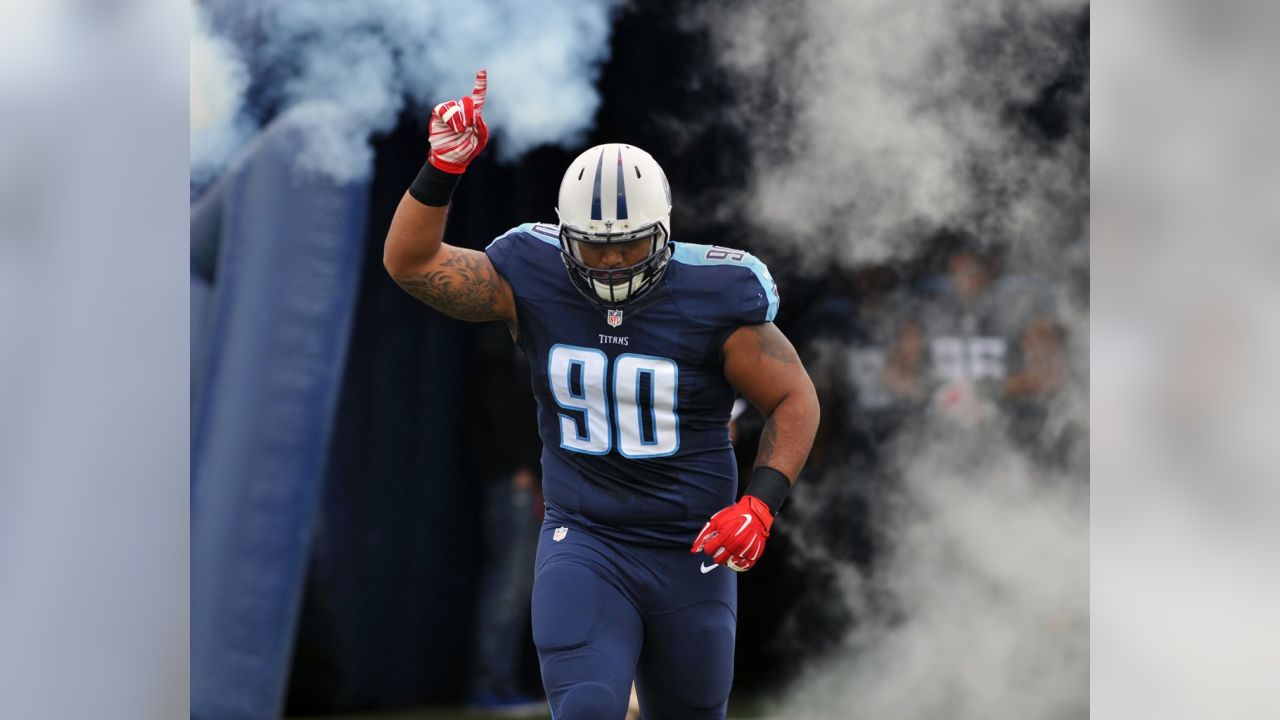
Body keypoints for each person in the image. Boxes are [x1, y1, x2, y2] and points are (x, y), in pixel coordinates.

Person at [382, 70, 820, 719]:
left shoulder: (715, 296)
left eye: (629, 245)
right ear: (563, 234)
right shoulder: (529, 275)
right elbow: (410, 264)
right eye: (595, 246)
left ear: (663, 232)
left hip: (689, 548)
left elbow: (794, 398)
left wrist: (760, 505)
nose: (612, 262)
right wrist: (443, 167)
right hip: (585, 539)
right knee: (586, 708)